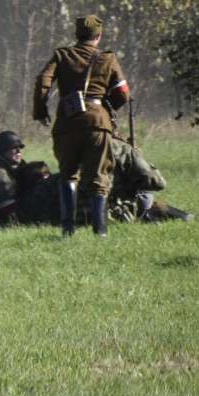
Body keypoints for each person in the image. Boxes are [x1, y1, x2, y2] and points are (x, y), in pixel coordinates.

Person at [33, 14, 130, 237]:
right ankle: (101, 233)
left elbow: (42, 81)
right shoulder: (107, 59)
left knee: (68, 175)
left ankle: (68, 230)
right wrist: (106, 110)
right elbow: (123, 94)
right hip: (97, 124)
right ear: (98, 36)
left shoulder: (61, 55)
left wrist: (40, 111)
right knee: (98, 178)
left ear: (77, 35)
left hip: (67, 123)